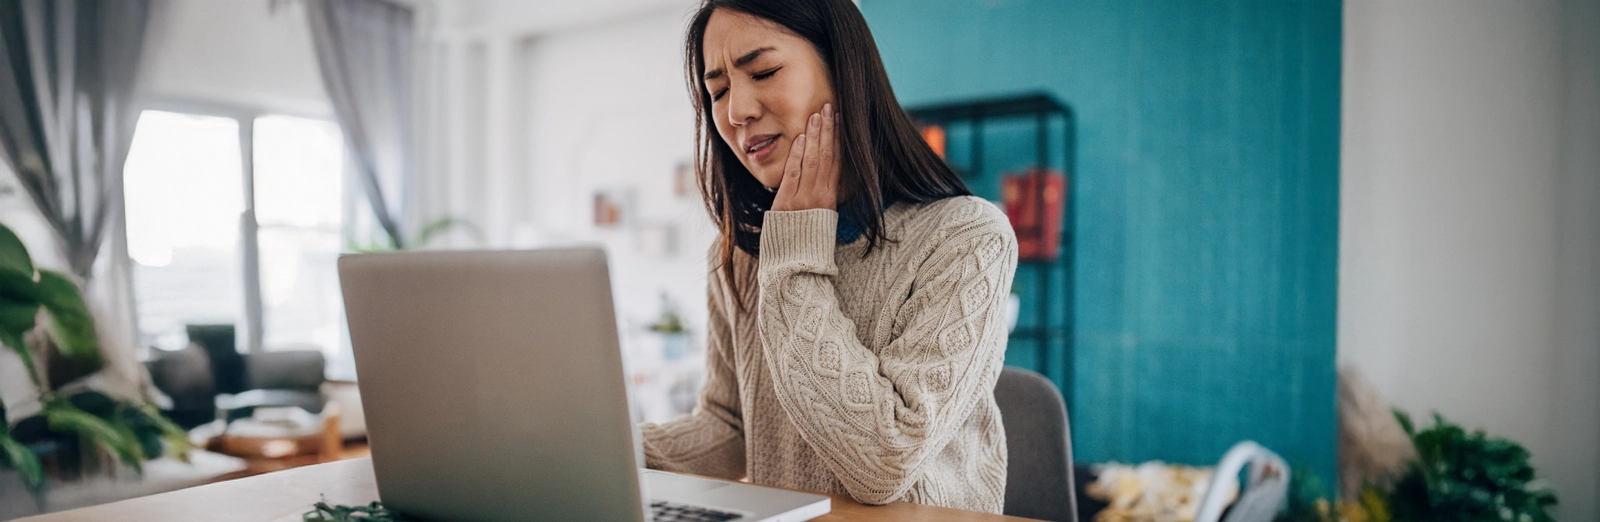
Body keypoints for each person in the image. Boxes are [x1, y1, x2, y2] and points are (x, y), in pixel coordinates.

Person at [640, 0, 1018, 513]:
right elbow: (731, 428)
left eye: (764, 71)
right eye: (719, 91)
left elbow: (883, 465)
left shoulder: (968, 237)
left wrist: (794, 261)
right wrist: (605, 448)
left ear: (845, 71)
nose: (736, 112)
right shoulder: (741, 254)